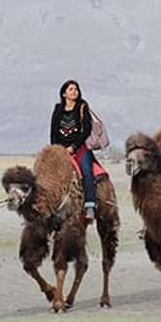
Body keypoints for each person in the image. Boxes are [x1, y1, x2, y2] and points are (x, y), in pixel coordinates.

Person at [51, 79, 98, 223]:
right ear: (64, 93)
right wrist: (56, 150)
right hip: (61, 150)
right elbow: (53, 131)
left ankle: (90, 205)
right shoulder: (58, 109)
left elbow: (86, 130)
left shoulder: (82, 107)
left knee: (86, 171)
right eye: (71, 89)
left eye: (76, 89)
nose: (74, 92)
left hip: (79, 148)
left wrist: (74, 147)